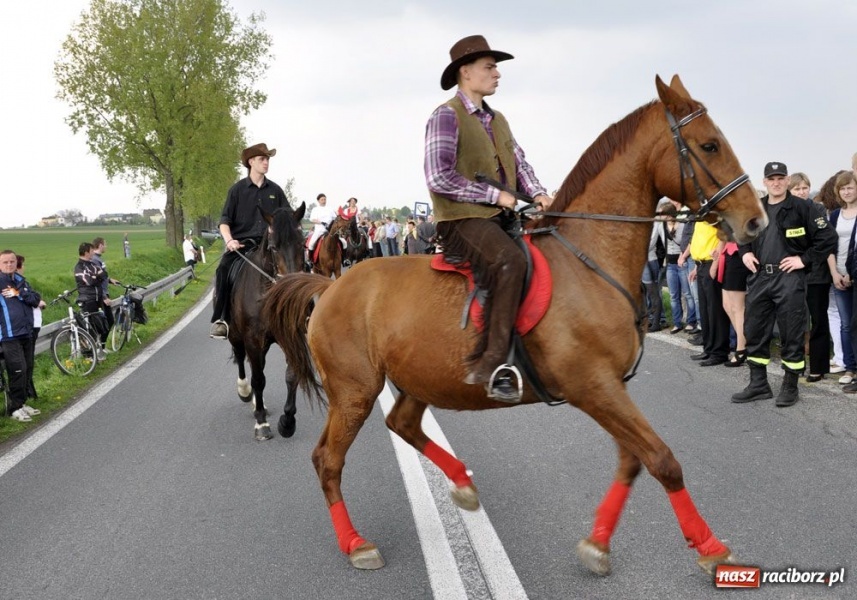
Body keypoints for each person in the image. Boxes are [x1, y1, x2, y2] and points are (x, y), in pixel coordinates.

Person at [424, 34, 552, 401]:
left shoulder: (500, 120)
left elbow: (520, 165)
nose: (497, 73)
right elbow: (438, 177)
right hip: (460, 220)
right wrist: (496, 195)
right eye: (490, 67)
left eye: (496, 67)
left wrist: (539, 193)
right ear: (466, 72)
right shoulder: (446, 116)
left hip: (498, 218)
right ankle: (495, 363)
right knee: (509, 261)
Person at [731, 162, 837, 407]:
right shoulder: (755, 208)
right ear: (765, 182)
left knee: (792, 332)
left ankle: (790, 386)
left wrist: (803, 259)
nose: (776, 182)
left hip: (789, 279)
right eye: (771, 179)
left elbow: (827, 238)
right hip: (759, 278)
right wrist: (745, 252)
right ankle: (758, 385)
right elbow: (742, 234)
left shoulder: (804, 207)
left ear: (787, 181)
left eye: (780, 178)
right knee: (755, 330)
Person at [210, 143, 288, 339]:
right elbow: (224, 222)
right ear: (251, 161)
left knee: (294, 268)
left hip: (270, 246)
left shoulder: (276, 191)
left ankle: (301, 314)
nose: (266, 162)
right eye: (262, 159)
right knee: (222, 270)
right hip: (241, 246)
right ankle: (222, 319)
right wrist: (229, 241)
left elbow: (287, 218)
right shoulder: (236, 191)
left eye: (267, 159)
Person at [789, 173, 833, 382]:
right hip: (792, 275)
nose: (802, 192)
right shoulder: (785, 212)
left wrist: (806, 259)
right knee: (795, 321)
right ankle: (796, 364)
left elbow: (825, 242)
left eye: (804, 188)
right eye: (797, 189)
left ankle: (818, 367)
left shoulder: (817, 210)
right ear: (790, 191)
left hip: (817, 275)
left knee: (818, 321)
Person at [1, 250, 42, 422]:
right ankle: (14, 408)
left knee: (27, 369)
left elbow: (35, 299)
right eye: (5, 262)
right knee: (17, 370)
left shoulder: (19, 280)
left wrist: (19, 294)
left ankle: (22, 403)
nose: (9, 265)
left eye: (12, 262)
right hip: (9, 335)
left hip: (26, 331)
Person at [688, 221, 731, 366]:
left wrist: (715, 264)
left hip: (711, 264)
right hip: (701, 265)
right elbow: (699, 241)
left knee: (715, 311)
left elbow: (723, 237)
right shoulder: (701, 215)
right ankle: (708, 348)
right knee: (705, 311)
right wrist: (695, 267)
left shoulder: (713, 214)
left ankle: (719, 352)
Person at [664, 200, 698, 334]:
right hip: (670, 263)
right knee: (673, 295)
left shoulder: (682, 224)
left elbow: (682, 241)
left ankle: (691, 321)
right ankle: (677, 322)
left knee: (688, 294)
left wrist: (672, 229)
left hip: (682, 261)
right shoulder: (663, 225)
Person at [717, 238, 751, 366]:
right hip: (728, 252)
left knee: (738, 307)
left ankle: (741, 349)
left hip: (738, 253)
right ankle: (747, 343)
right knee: (727, 305)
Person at [16, 255, 45, 400]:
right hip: (28, 326)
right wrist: (35, 299)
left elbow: (35, 297)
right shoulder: (18, 284)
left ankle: (30, 392)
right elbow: (33, 299)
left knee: (29, 362)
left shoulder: (23, 282)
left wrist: (35, 298)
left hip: (31, 325)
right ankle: (26, 394)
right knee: (26, 362)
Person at [74, 242, 110, 357]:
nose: (93, 253)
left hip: (97, 298)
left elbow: (104, 274)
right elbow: (89, 281)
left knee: (103, 325)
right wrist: (97, 277)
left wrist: (97, 276)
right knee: (91, 328)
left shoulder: (92, 264)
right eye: (91, 251)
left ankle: (98, 350)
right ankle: (89, 354)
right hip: (87, 300)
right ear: (85, 252)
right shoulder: (79, 267)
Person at [91, 237, 119, 347]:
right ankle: (100, 346)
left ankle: (101, 346)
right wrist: (103, 297)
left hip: (103, 293)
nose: (106, 247)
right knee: (108, 321)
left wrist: (110, 280)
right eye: (105, 244)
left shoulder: (98, 259)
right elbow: (96, 280)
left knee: (108, 321)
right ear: (100, 245)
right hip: (101, 295)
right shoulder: (95, 260)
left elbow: (102, 276)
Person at [307, 193, 338, 257]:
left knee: (344, 242)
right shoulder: (315, 209)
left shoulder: (330, 209)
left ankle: (344, 259)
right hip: (319, 230)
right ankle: (309, 260)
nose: (324, 201)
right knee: (311, 244)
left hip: (330, 231)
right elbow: (312, 219)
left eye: (325, 199)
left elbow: (335, 218)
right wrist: (321, 222)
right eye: (322, 200)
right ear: (318, 201)